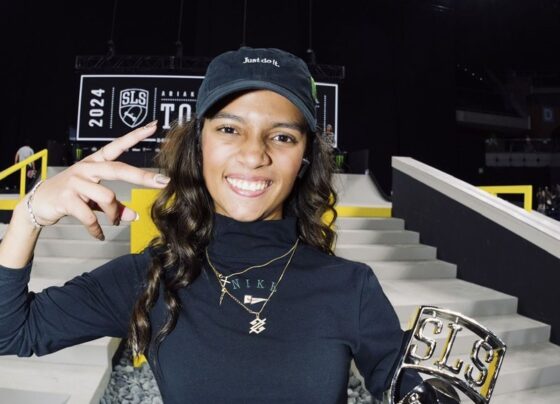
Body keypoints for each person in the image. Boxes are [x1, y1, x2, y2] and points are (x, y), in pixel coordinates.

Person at [0, 47, 415, 403]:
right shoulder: (153, 277)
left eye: (282, 137)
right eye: (229, 129)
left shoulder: (351, 287)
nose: (253, 155)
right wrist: (28, 214)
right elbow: (11, 332)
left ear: (305, 156)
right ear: (199, 145)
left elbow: (415, 390)